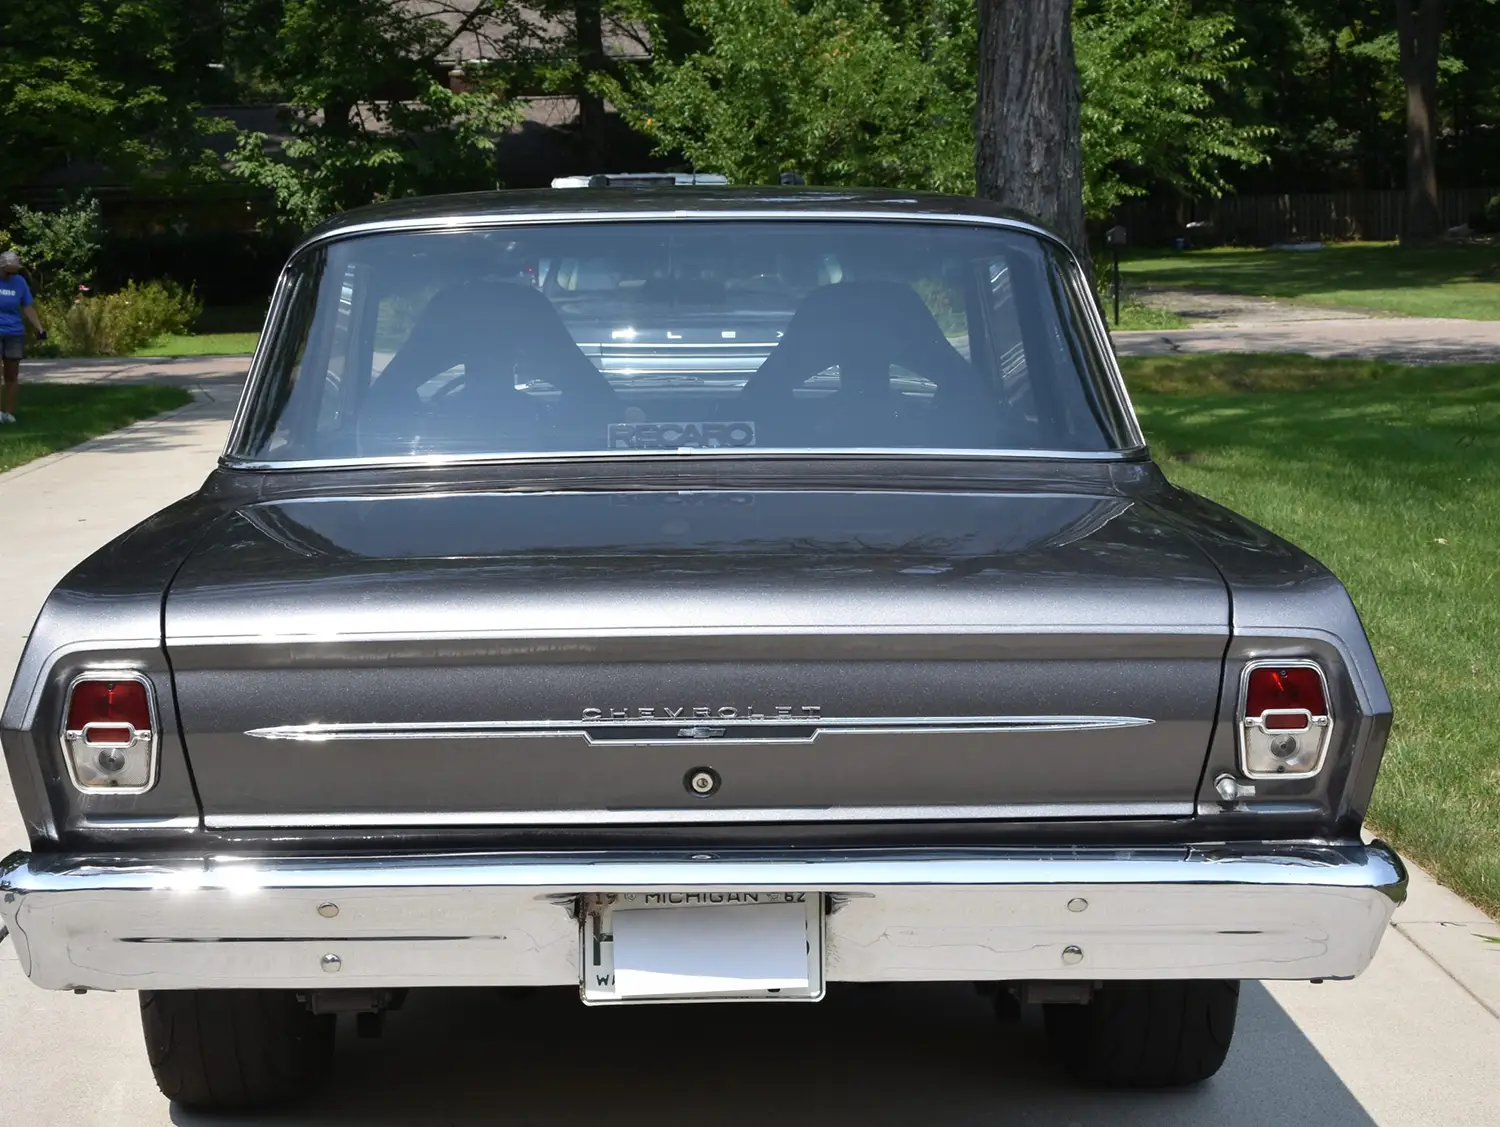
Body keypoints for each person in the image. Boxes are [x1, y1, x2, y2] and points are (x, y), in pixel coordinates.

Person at [0, 250, 47, 424]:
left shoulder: (19, 282)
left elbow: (27, 307)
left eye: (14, 270)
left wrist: (40, 328)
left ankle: (9, 413)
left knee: (11, 375)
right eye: (8, 270)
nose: (11, 273)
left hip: (14, 333)